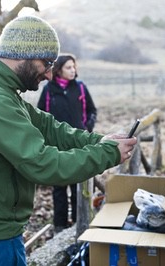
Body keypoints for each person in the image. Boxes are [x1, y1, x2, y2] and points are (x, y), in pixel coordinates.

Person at [0, 15, 137, 266]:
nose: (50, 75)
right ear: (24, 54)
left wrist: (99, 140)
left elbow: (49, 127)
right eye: (47, 63)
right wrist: (107, 154)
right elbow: (43, 164)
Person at [37, 54, 97, 232]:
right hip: (56, 147)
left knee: (78, 185)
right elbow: (41, 115)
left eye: (74, 67)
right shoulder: (49, 90)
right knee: (59, 188)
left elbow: (92, 110)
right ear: (59, 70)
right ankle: (60, 226)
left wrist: (87, 128)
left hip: (78, 144)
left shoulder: (80, 88)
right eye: (69, 68)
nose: (73, 70)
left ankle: (80, 223)